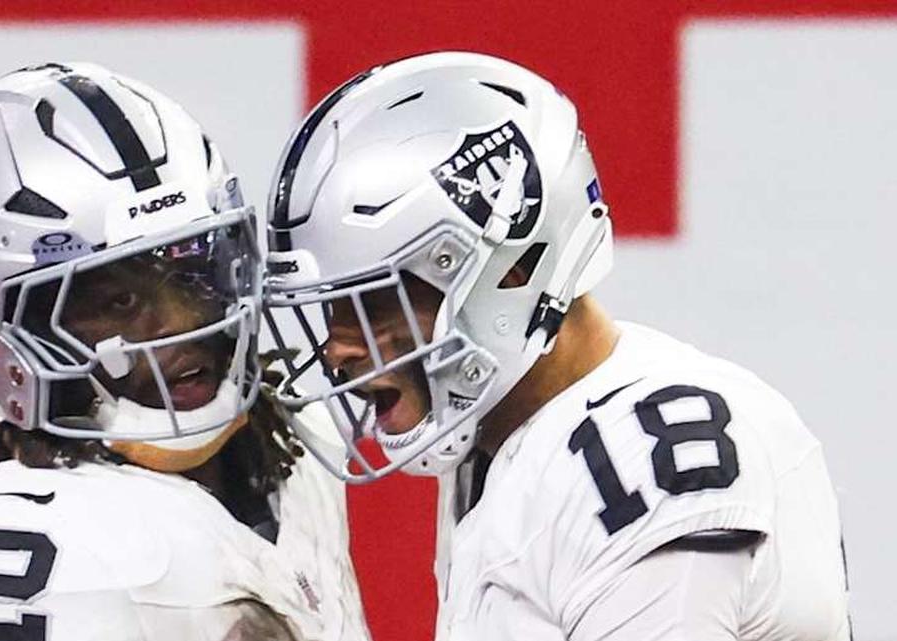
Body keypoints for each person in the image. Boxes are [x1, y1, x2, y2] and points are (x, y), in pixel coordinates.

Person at [263, 51, 850, 640]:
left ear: (511, 271)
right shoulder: (507, 442)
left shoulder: (647, 459)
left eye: (372, 300)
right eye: (332, 307)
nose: (338, 348)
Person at [0, 62, 369, 641]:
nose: (182, 324)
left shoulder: (297, 449)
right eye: (119, 301)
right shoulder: (40, 541)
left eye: (194, 276)